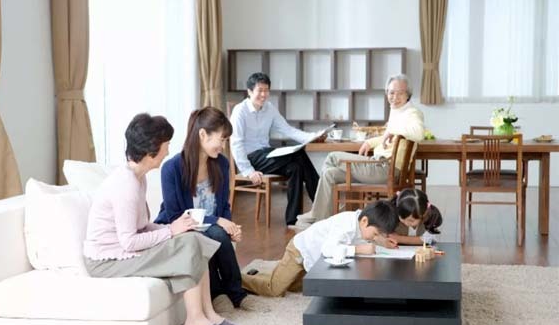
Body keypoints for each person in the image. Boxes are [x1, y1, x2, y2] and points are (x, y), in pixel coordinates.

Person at [83, 113, 236, 325]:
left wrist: (177, 228)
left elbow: (142, 226)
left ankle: (208, 313)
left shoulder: (138, 177)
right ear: (151, 150)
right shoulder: (126, 186)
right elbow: (129, 242)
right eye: (166, 144)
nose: (168, 150)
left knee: (194, 237)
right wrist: (170, 231)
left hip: (120, 251)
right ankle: (194, 321)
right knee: (188, 245)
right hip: (107, 262)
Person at [155, 106, 253, 312]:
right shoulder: (172, 168)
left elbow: (223, 206)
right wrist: (218, 222)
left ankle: (230, 293)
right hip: (181, 228)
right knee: (213, 233)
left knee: (217, 233)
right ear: (203, 135)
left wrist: (231, 227)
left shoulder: (221, 164)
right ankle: (229, 294)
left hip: (211, 228)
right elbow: (175, 216)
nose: (223, 146)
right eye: (221, 139)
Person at [296, 73, 425, 228]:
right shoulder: (398, 111)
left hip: (384, 168)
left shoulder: (412, 113)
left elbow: (419, 133)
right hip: (380, 166)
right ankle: (322, 219)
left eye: (400, 93)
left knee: (332, 157)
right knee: (330, 174)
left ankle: (320, 214)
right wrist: (369, 142)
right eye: (391, 93)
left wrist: (392, 131)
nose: (395, 97)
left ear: (408, 94)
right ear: (386, 93)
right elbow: (387, 136)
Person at [241, 200, 399, 297]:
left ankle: (266, 272)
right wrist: (359, 249)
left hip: (313, 260)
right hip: (300, 252)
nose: (375, 238)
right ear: (364, 221)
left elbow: (368, 236)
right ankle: (237, 279)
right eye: (376, 234)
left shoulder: (363, 223)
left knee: (295, 286)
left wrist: (382, 242)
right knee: (275, 289)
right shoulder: (346, 226)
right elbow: (328, 250)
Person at [230, 72, 325, 226]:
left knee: (295, 168)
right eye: (260, 90)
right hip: (251, 159)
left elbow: (287, 130)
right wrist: (248, 171)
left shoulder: (269, 108)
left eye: (266, 90)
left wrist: (313, 136)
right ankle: (322, 204)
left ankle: (292, 220)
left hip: (266, 154)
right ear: (249, 91)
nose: (263, 95)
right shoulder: (240, 111)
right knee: (299, 155)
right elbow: (236, 143)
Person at [378, 188, 443, 248]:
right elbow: (379, 232)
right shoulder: (392, 214)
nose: (406, 223)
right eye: (402, 218)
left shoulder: (428, 218)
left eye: (411, 220)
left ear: (423, 215)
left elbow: (429, 239)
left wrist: (399, 238)